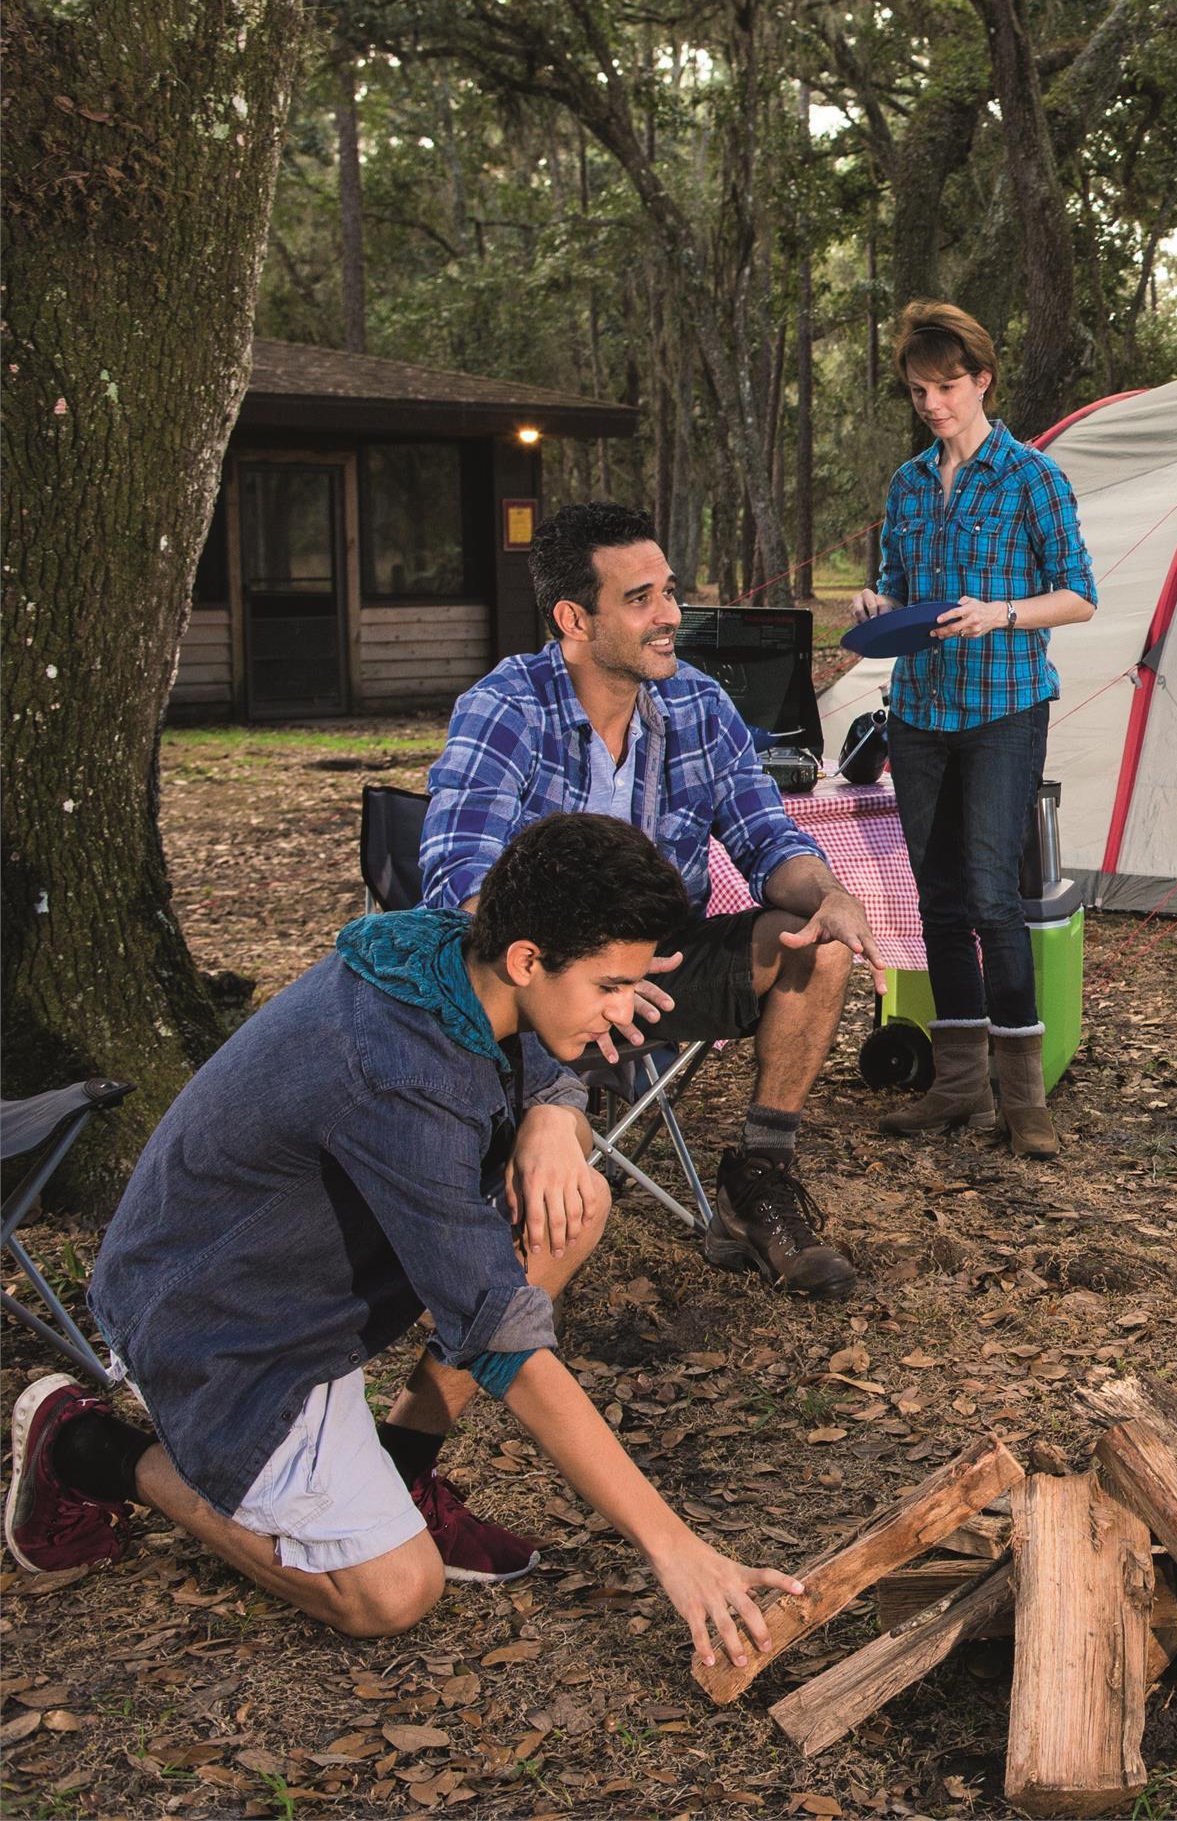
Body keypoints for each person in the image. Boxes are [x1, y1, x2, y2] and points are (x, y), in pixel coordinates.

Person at [8, 816, 805, 1669]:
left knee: (573, 1199)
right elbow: (501, 1343)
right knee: (393, 1595)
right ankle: (92, 1448)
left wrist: (554, 1106)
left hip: (294, 1271)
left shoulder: (439, 944)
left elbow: (511, 1032)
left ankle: (400, 1463)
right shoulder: (399, 1079)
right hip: (227, 1325)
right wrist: (674, 1548)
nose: (629, 1012)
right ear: (529, 959)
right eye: (612, 986)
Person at [426, 501, 873, 1300]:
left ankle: (757, 1182)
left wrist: (830, 894)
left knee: (819, 941)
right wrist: (559, 1051)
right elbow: (464, 890)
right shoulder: (507, 708)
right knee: (496, 953)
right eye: (640, 600)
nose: (670, 617)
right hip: (541, 990)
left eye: (668, 592)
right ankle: (547, 1125)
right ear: (573, 618)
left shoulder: (698, 704)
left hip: (661, 966)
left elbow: (768, 840)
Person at [853, 300, 1099, 1164]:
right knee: (938, 896)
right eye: (920, 390)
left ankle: (1023, 1100)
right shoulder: (909, 484)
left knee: (994, 897)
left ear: (982, 379)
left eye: (948, 386)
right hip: (918, 712)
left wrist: (1000, 613)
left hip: (1003, 708)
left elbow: (1078, 595)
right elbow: (895, 586)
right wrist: (877, 606)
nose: (933, 403)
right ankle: (955, 1085)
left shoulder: (1032, 477)